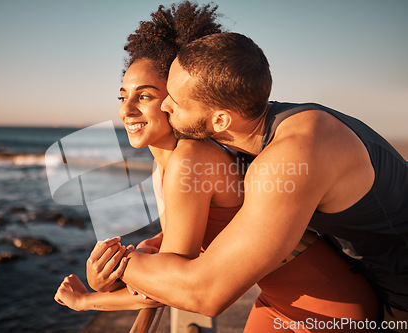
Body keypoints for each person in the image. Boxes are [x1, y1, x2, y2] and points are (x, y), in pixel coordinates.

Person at [55, 3, 379, 332]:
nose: (127, 110)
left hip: (328, 306)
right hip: (280, 300)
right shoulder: (168, 167)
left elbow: (181, 286)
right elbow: (175, 264)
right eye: (123, 96)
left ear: (177, 98)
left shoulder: (191, 159)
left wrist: (90, 296)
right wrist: (139, 255)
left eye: (146, 96)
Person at [109, 32, 408, 331]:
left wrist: (121, 265)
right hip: (366, 283)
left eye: (176, 101)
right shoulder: (270, 128)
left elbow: (204, 293)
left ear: (220, 121)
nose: (165, 106)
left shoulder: (289, 158)